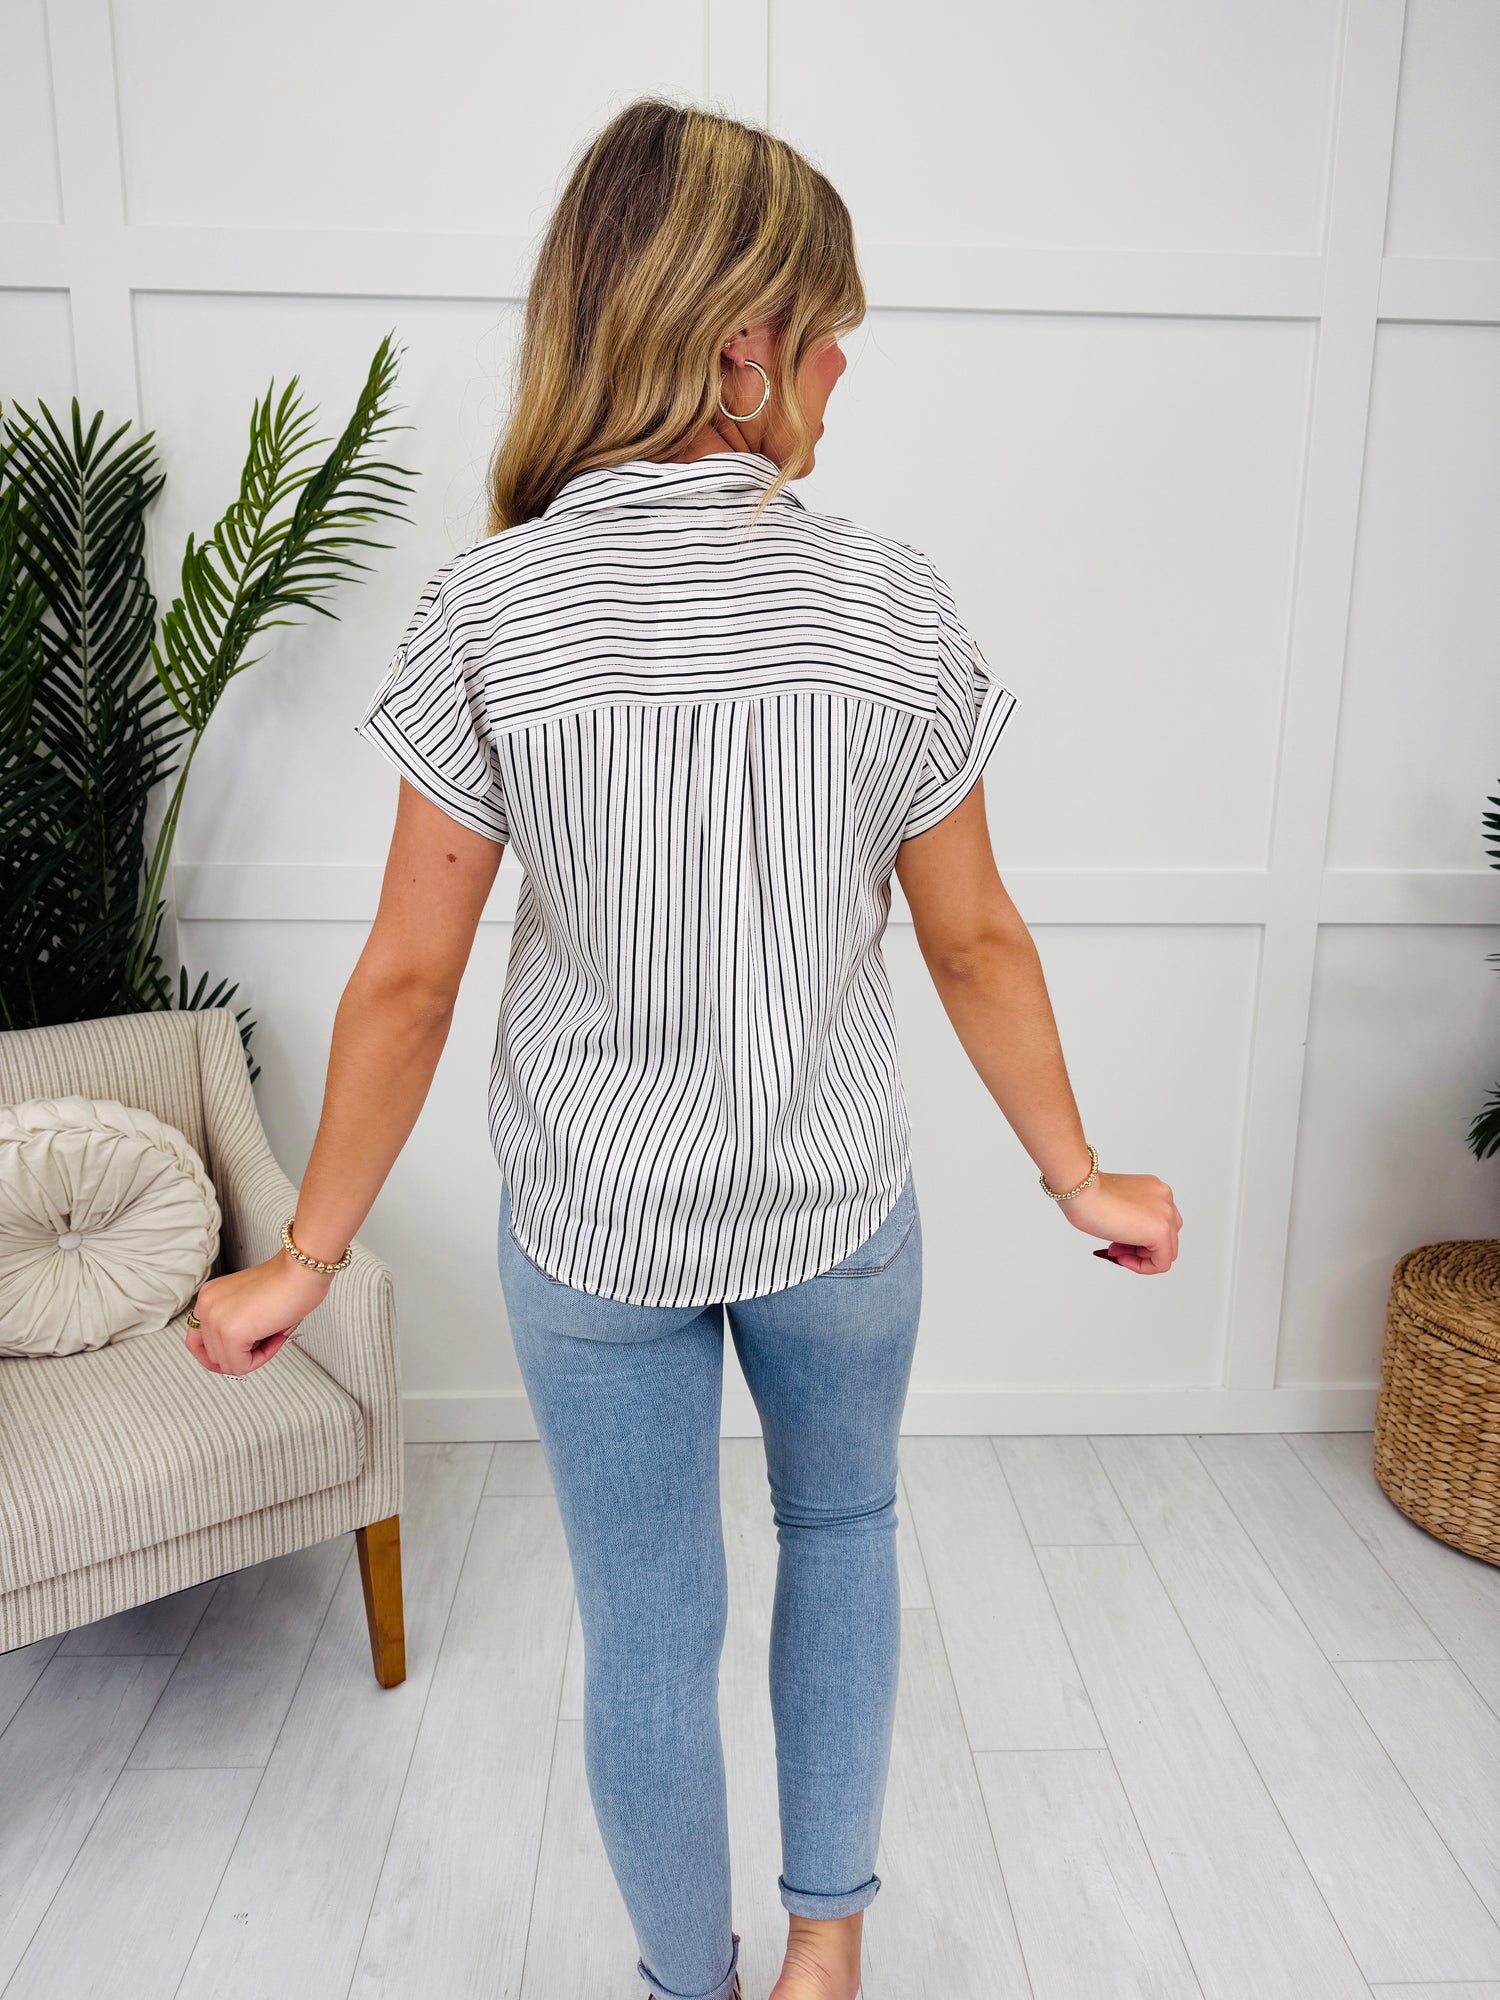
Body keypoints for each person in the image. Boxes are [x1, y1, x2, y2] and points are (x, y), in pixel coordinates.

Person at [183, 96, 1181, 2000]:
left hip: (593, 1221)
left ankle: (684, 1987)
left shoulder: (489, 607)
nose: (838, 381)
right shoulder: (887, 598)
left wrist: (303, 1254)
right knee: (845, 1535)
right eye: (826, 342)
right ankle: (826, 1956)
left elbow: (408, 978)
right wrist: (1078, 1174)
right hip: (835, 1206)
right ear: (740, 351)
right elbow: (973, 934)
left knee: (646, 1631)